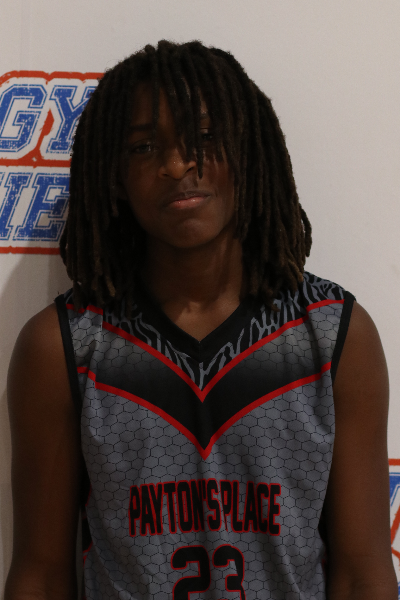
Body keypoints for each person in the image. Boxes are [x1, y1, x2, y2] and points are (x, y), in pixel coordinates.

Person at [5, 40, 397, 600]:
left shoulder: (335, 335)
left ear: (249, 150)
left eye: (206, 137)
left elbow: (363, 575)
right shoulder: (64, 346)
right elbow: (40, 575)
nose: (176, 165)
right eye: (143, 147)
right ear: (113, 175)